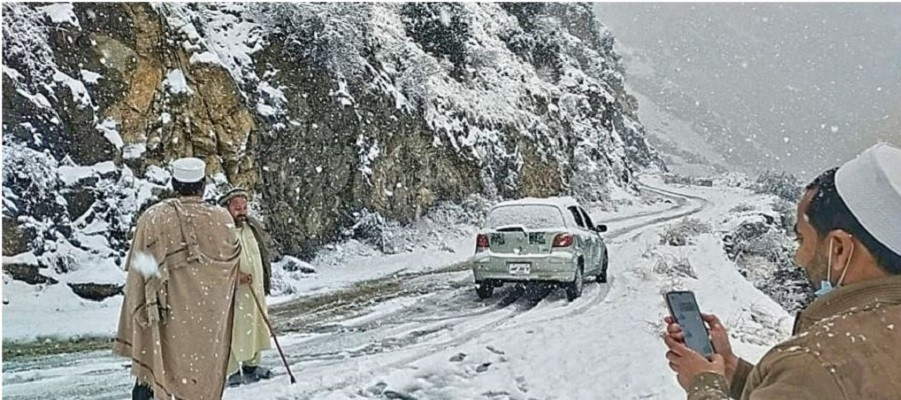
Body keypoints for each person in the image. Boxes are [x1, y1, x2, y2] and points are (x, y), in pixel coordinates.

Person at [663, 142, 901, 400]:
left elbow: (817, 382)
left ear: (840, 249)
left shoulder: (816, 363)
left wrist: (704, 384)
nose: (798, 258)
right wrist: (732, 370)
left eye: (802, 240)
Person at [114, 157, 241, 400]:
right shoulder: (222, 219)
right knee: (202, 375)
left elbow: (140, 270)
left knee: (156, 370)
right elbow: (231, 263)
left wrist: (151, 295)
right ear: (203, 185)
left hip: (165, 318)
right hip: (208, 319)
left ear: (173, 184)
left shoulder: (153, 218)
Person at [218, 188, 274, 386]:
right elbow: (216, 264)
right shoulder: (221, 231)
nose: (242, 212)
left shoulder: (252, 228)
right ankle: (231, 372)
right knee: (232, 330)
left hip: (254, 290)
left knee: (256, 325)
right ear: (227, 209)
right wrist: (235, 276)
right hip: (233, 294)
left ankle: (252, 366)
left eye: (244, 207)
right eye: (237, 208)